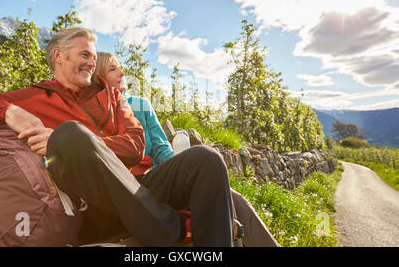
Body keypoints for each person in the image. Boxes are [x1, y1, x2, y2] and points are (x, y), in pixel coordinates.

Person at [0, 27, 236, 247]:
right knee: (70, 136)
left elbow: (136, 145)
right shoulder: (35, 96)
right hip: (89, 210)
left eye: (94, 57)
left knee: (206, 159)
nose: (91, 63)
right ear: (59, 56)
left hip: (139, 191)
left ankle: (186, 233)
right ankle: (173, 228)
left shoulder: (113, 96)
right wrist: (7, 110)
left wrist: (91, 145)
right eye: (84, 55)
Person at [95, 51, 280, 247]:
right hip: (131, 188)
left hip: (157, 180)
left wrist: (184, 179)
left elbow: (160, 147)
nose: (122, 73)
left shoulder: (141, 105)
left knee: (233, 198)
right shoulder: (96, 111)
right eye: (112, 69)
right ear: (98, 76)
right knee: (221, 200)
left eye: (120, 68)